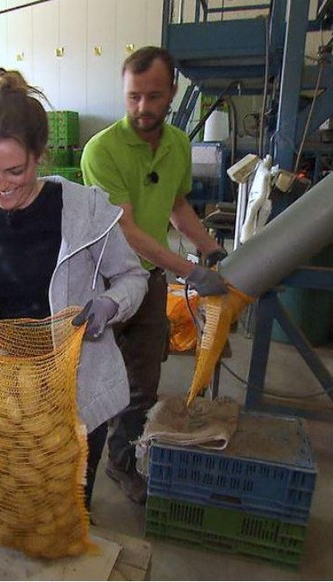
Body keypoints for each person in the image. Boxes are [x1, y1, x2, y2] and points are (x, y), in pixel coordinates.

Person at [0, 68, 149, 510]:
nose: (0, 186)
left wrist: (109, 305)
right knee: (13, 502)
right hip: (6, 394)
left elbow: (134, 277)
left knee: (68, 505)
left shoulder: (86, 213)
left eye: (14, 170)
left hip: (72, 392)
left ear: (40, 156)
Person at [81, 46, 228, 504]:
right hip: (102, 287)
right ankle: (76, 488)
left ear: (172, 93)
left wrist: (211, 249)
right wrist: (190, 271)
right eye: (133, 97)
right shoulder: (101, 150)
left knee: (142, 387)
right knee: (93, 391)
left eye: (153, 96)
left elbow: (177, 206)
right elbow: (124, 230)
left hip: (150, 286)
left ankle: (121, 465)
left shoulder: (179, 145)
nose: (142, 108)